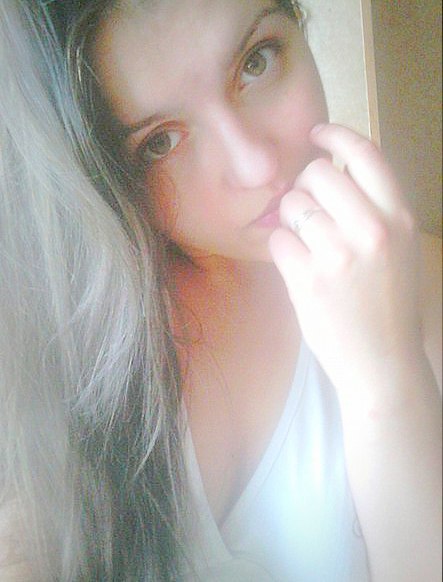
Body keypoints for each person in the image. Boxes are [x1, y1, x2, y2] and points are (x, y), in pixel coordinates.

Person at [0, 0, 441, 580]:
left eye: (257, 61)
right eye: (160, 142)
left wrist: (387, 377)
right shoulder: (48, 386)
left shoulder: (407, 276)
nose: (256, 167)